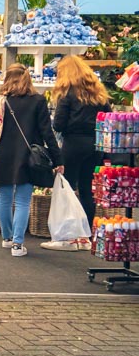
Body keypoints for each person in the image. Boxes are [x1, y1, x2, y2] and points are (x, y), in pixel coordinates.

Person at [0, 64, 62, 258]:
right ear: (28, 79)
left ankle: (7, 238)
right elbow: (47, 132)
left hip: (1, 155)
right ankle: (17, 244)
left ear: (6, 79)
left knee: (4, 198)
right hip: (28, 156)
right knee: (23, 200)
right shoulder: (38, 101)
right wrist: (58, 158)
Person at [52, 55, 112, 232]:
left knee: (68, 188)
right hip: (95, 144)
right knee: (87, 189)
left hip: (73, 144)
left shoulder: (67, 93)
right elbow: (109, 117)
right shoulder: (98, 92)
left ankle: (68, 230)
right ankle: (86, 231)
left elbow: (58, 124)